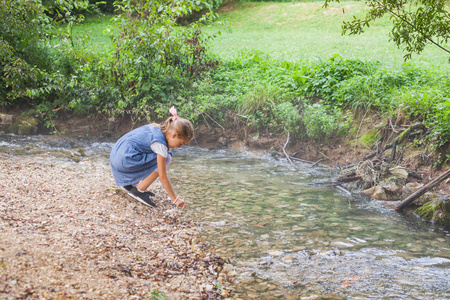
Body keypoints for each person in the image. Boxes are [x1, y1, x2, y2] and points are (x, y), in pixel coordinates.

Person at [110, 106, 193, 209]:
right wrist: (175, 199)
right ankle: (139, 190)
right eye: (181, 143)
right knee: (166, 157)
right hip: (123, 161)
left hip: (116, 155)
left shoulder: (155, 127)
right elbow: (163, 176)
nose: (179, 147)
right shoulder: (160, 144)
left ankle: (130, 184)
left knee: (161, 155)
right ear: (174, 135)